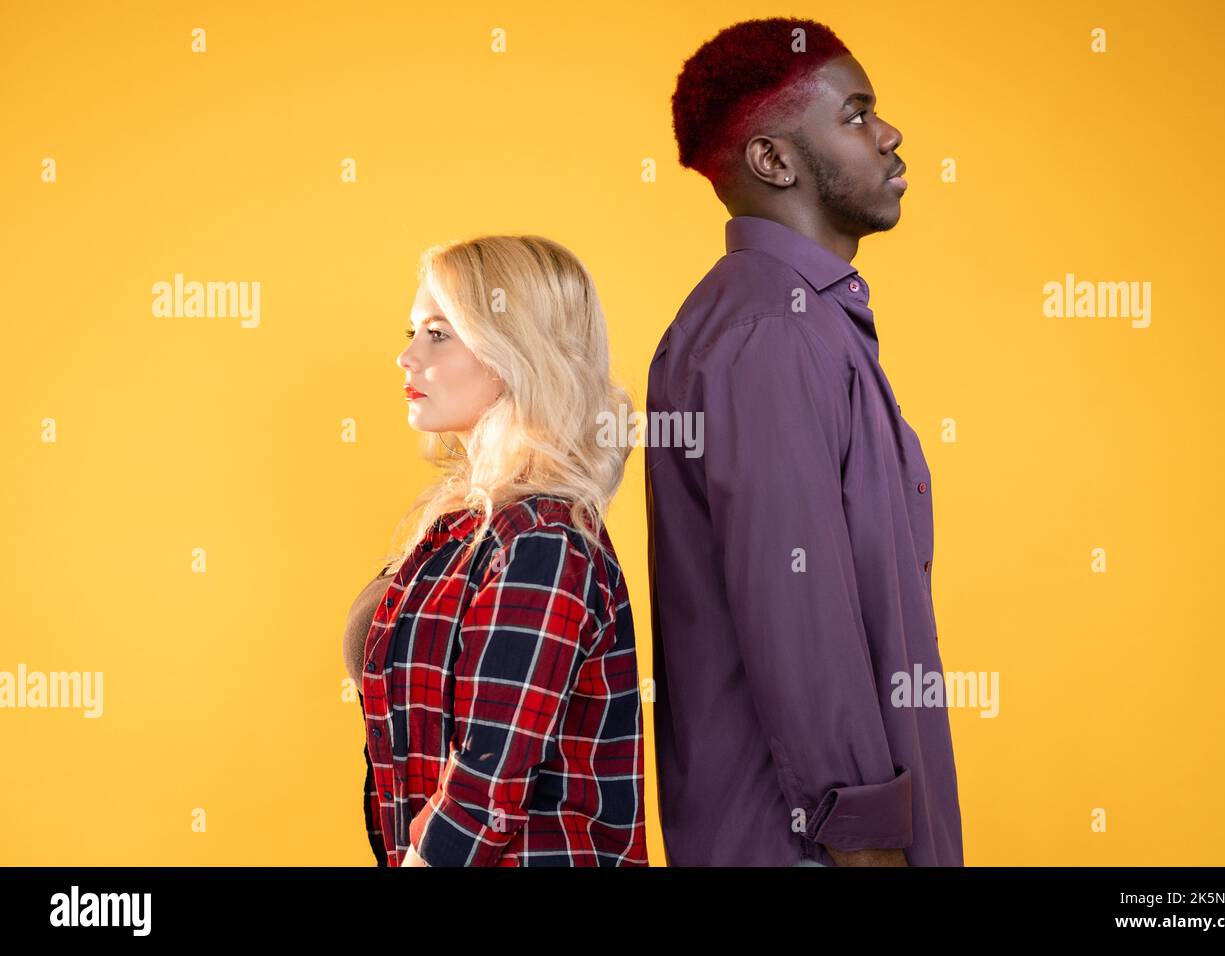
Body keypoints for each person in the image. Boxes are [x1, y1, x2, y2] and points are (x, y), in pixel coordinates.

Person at [645, 17, 964, 866]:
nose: (890, 135)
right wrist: (862, 838)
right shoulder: (770, 332)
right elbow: (798, 608)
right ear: (775, 161)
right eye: (856, 114)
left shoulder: (799, 318)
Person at [344, 234, 648, 866]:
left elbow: (489, 783)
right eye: (413, 331)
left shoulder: (541, 538)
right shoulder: (464, 525)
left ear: (516, 350)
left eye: (438, 333)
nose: (406, 357)